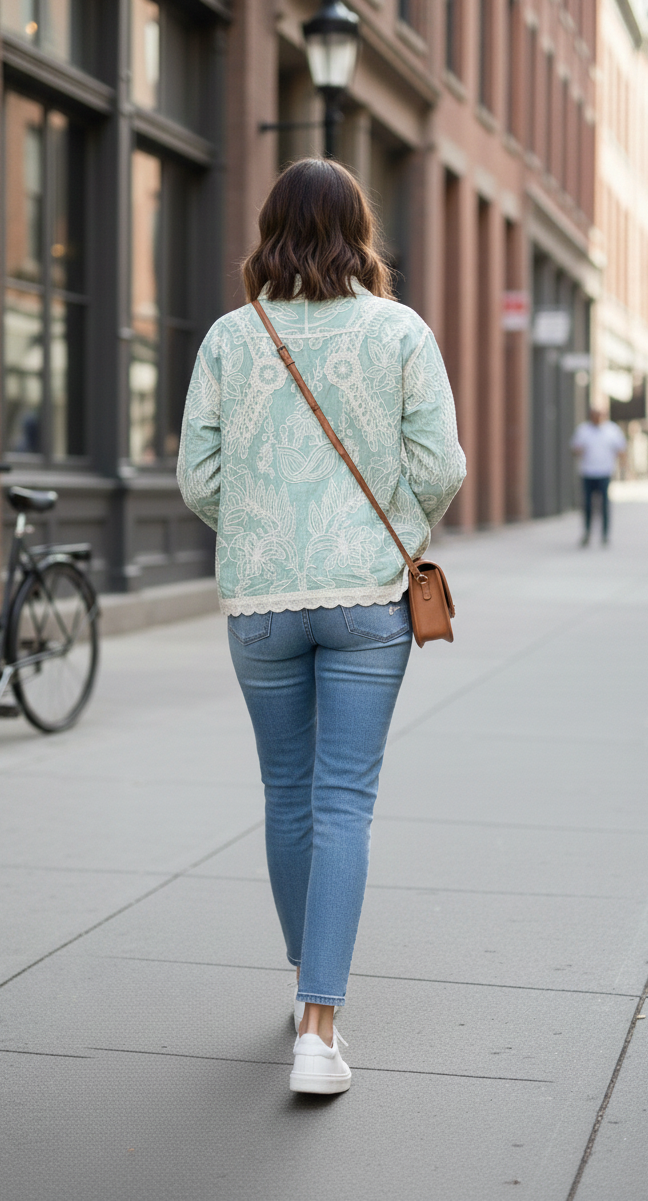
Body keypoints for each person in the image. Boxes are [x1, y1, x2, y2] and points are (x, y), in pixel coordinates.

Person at [177, 159, 466, 1096]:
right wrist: (390, 534)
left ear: (271, 230)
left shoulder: (230, 335)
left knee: (286, 794)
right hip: (366, 598)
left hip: (261, 599)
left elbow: (197, 478)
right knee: (344, 802)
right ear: (360, 229)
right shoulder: (401, 332)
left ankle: (307, 982)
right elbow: (442, 465)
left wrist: (260, 528)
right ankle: (319, 1028)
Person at [570, 408, 626, 546]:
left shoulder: (612, 430)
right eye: (594, 416)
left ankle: (605, 534)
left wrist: (622, 467)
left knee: (604, 505)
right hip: (588, 472)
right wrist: (578, 451)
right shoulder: (583, 430)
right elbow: (574, 448)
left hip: (604, 472)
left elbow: (621, 449)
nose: (597, 418)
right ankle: (587, 532)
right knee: (588, 505)